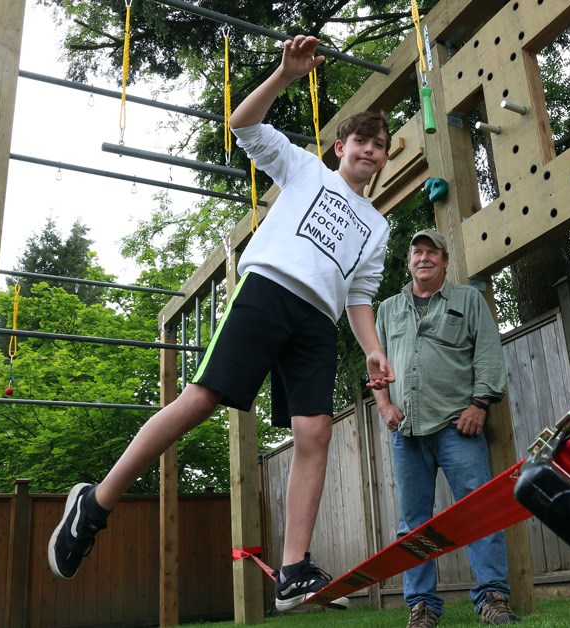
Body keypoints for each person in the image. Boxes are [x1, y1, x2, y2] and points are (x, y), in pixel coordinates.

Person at [48, 34, 396, 613]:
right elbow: (243, 123)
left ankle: (292, 571)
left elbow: (359, 295)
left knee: (316, 434)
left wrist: (373, 350)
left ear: (385, 157)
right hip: (267, 293)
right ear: (340, 146)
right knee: (199, 401)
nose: (370, 149)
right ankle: (96, 502)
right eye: (362, 139)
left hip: (317, 321)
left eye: (380, 145)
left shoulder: (377, 228)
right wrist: (285, 74)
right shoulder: (305, 171)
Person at [372, 229, 519, 626]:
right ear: (409, 262)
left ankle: (493, 598)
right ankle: (422, 606)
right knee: (412, 524)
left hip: (459, 426)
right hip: (406, 432)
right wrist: (384, 405)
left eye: (431, 252)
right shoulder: (387, 309)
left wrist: (479, 404)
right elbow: (376, 365)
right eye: (417, 252)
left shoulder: (469, 299)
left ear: (444, 261)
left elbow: (488, 352)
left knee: (479, 511)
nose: (424, 258)